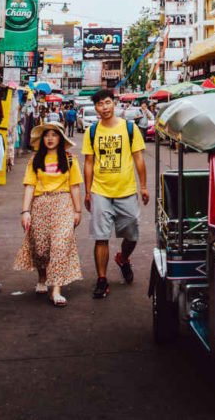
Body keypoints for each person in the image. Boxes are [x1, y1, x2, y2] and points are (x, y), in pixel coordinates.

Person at [82, 88, 148, 299]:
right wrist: (87, 191)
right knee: (100, 237)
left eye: (108, 103)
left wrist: (144, 186)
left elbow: (138, 159)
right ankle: (102, 280)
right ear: (96, 108)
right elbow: (89, 163)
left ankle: (123, 258)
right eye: (100, 104)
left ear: (114, 104)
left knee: (132, 234)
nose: (105, 107)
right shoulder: (91, 132)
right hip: (100, 191)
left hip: (126, 191)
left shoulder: (130, 129)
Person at [14, 122, 83, 307]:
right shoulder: (34, 160)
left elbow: (74, 186)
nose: (50, 138)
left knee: (60, 244)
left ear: (61, 138)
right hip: (40, 204)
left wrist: (78, 210)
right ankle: (42, 277)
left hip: (63, 203)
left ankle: (57, 290)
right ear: (42, 139)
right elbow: (30, 186)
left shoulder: (70, 160)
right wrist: (25, 211)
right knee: (41, 247)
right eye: (47, 135)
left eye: (54, 134)